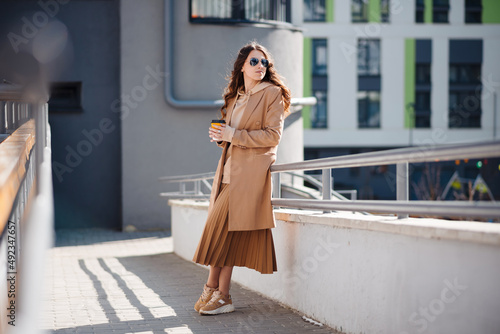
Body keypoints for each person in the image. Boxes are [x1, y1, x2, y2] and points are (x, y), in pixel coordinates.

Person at [192, 42, 291, 315]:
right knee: (226, 237)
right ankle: (222, 295)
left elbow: (272, 136)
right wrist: (221, 138)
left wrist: (231, 135)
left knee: (218, 235)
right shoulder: (235, 97)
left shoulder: (272, 94)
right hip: (227, 174)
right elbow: (232, 135)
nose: (261, 67)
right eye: (254, 62)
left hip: (249, 177)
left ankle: (213, 288)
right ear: (242, 66)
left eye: (264, 63)